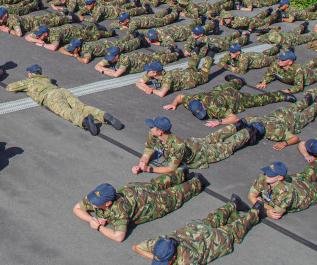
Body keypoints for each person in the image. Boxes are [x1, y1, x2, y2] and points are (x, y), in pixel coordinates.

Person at [133, 199, 264, 265]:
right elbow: (136, 247)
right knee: (212, 219)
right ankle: (233, 204)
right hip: (195, 228)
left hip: (211, 240)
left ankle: (256, 211)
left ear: (174, 257)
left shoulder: (185, 260)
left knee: (233, 232)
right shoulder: (160, 243)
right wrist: (156, 258)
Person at [73, 171, 204, 242]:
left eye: (98, 202)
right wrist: (91, 219)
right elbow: (77, 208)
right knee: (156, 184)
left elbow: (119, 236)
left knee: (172, 197)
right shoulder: (96, 197)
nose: (93, 203)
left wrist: (99, 227)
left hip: (149, 204)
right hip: (133, 190)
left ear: (108, 203)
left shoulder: (119, 210)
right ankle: (181, 173)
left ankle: (197, 182)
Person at [6, 65, 123, 136]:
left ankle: (84, 121)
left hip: (49, 96)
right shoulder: (47, 79)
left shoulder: (28, 81)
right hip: (62, 91)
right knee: (81, 107)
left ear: (31, 73)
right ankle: (104, 115)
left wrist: (27, 89)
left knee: (65, 111)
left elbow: (10, 87)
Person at [132, 116, 262, 175]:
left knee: (226, 146)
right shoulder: (153, 135)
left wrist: (149, 169)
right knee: (213, 137)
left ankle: (250, 131)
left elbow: (171, 169)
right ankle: (238, 125)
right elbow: (147, 151)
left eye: (152, 127)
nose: (150, 128)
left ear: (160, 131)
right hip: (193, 143)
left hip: (201, 154)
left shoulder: (177, 145)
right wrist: (142, 163)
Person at [164, 75, 296, 124]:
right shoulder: (191, 101)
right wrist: (173, 103)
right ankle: (236, 80)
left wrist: (219, 122)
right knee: (233, 83)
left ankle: (281, 95)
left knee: (260, 99)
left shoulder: (216, 110)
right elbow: (180, 97)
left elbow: (234, 118)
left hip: (236, 99)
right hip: (221, 90)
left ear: (203, 105)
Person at [247, 161, 317, 219]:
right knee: (311, 169)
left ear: (280, 178)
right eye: (267, 172)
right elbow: (251, 196)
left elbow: (276, 213)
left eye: (271, 175)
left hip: (307, 194)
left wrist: (263, 208)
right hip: (297, 180)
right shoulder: (263, 177)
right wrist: (263, 206)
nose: (267, 175)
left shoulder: (285, 192)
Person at [134, 58, 213, 97]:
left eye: (149, 71)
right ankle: (197, 50)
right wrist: (145, 89)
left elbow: (162, 94)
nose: (147, 72)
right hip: (181, 73)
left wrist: (152, 89)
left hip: (190, 79)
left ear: (155, 73)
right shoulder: (152, 74)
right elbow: (138, 82)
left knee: (204, 76)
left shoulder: (167, 78)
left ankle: (210, 55)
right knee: (191, 68)